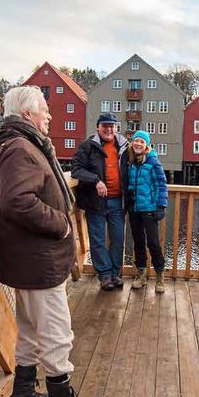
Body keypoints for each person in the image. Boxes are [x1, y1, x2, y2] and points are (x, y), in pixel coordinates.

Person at [0, 86, 103, 397]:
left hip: (25, 258)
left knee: (32, 329)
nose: (50, 116)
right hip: (38, 258)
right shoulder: (21, 148)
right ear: (27, 114)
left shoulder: (5, 145)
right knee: (55, 331)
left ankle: (22, 394)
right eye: (45, 110)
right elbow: (18, 201)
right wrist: (62, 224)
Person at [71, 112, 129, 291]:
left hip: (117, 202)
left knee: (118, 239)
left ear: (116, 128)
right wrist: (96, 180)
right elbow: (76, 170)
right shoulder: (88, 146)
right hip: (96, 202)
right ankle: (104, 276)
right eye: (105, 126)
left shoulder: (124, 146)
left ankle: (115, 273)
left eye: (112, 126)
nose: (109, 129)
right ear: (98, 127)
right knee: (97, 240)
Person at [121, 130, 168, 292]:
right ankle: (141, 275)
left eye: (142, 142)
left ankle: (160, 277)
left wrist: (161, 206)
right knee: (138, 243)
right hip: (134, 209)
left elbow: (161, 184)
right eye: (136, 141)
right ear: (132, 143)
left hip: (149, 209)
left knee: (153, 243)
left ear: (147, 145)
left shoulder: (152, 161)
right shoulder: (130, 160)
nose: (138, 144)